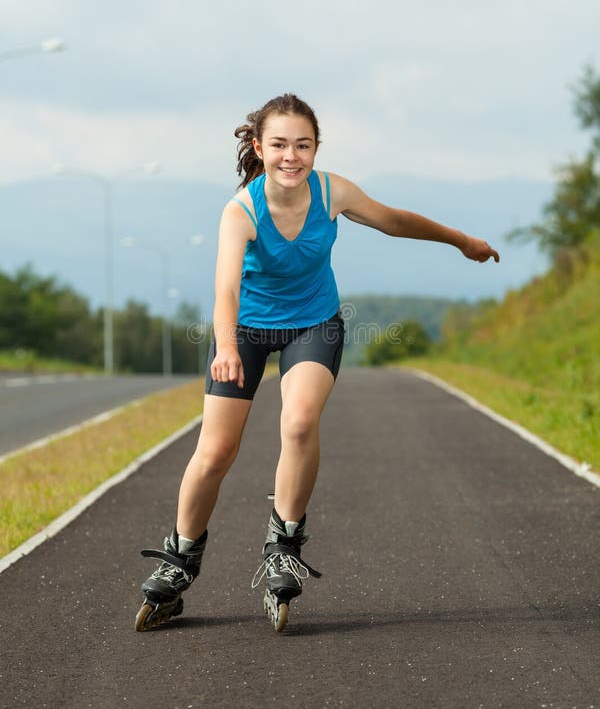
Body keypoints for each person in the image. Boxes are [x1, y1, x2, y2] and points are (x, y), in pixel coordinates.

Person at [136, 93, 500, 633]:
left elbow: (395, 221)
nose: (291, 156)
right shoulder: (240, 211)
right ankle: (180, 559)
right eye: (279, 144)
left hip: (314, 322)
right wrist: (229, 347)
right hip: (245, 331)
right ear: (259, 148)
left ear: (315, 148)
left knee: (300, 421)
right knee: (215, 451)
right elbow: (225, 289)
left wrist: (461, 241)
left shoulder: (332, 191)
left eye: (302, 145)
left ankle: (283, 543)